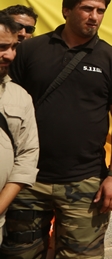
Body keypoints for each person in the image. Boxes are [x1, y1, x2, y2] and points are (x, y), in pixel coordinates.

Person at [2, 0, 112, 258]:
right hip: (26, 179)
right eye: (87, 9)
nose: (94, 17)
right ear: (66, 10)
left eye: (100, 11)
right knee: (18, 255)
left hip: (85, 181)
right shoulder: (30, 50)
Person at [0, 14, 39, 246]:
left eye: (13, 47)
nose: (10, 55)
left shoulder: (20, 96)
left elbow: (27, 155)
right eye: (2, 47)